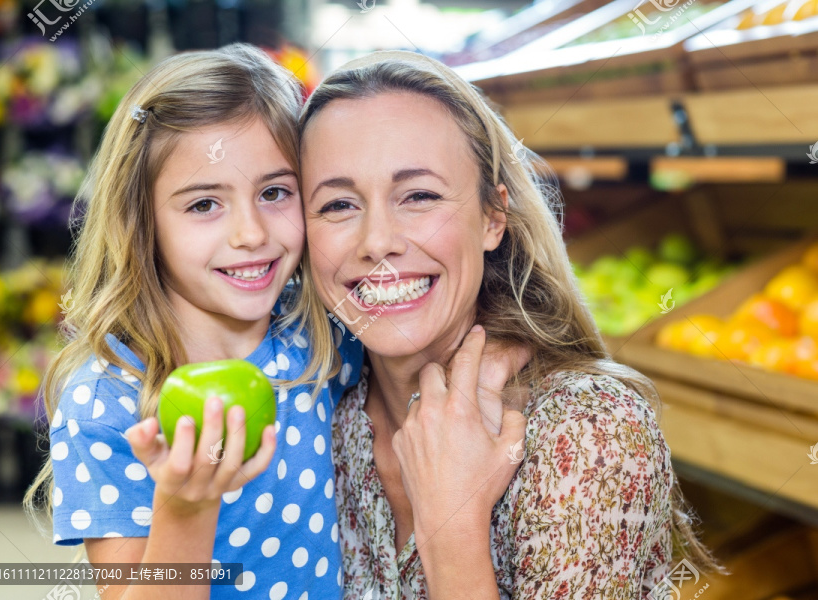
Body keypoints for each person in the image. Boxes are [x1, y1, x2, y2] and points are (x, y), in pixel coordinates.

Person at [295, 50, 720, 599]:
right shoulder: (322, 425)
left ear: (493, 218)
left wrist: (451, 525)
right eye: (337, 205)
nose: (377, 242)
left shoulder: (587, 432)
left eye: (419, 196)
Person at [23, 44, 364, 599]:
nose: (251, 233)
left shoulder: (319, 333)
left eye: (274, 192)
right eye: (205, 204)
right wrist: (187, 507)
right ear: (142, 222)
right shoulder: (107, 403)